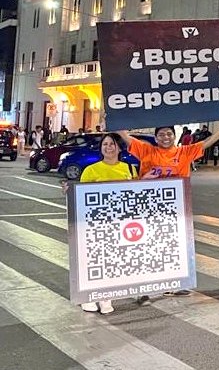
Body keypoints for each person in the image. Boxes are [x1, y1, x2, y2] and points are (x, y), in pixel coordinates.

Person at [116, 118, 219, 301]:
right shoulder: (146, 150)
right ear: (155, 137)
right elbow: (125, 136)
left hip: (176, 209)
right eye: (161, 134)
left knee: (174, 247)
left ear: (175, 135)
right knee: (149, 247)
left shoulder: (184, 152)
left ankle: (175, 284)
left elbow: (205, 143)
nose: (165, 137)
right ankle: (146, 285)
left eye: (169, 133)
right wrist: (116, 118)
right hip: (149, 208)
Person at [62, 133, 136, 315]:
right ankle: (88, 298)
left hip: (120, 224)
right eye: (105, 144)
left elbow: (136, 194)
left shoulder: (130, 170)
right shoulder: (91, 170)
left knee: (114, 263)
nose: (108, 147)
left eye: (112, 144)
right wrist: (69, 191)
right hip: (95, 223)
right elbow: (80, 196)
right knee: (93, 262)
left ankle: (106, 298)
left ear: (119, 148)